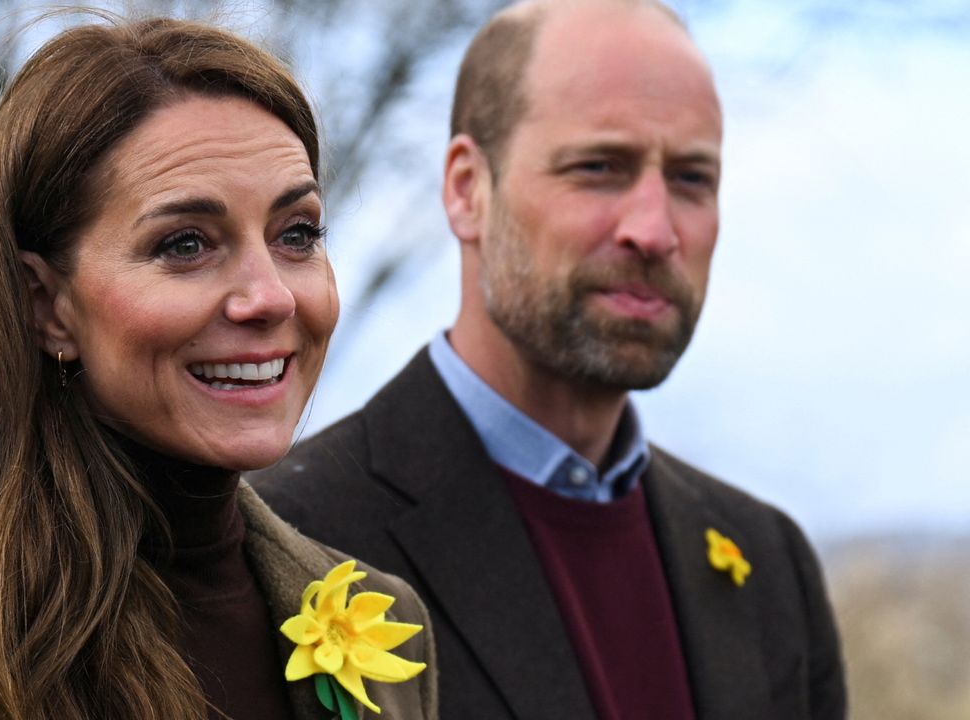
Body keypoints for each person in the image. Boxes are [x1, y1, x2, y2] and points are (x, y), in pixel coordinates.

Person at [0, 16, 436, 720]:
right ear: (46, 305)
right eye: (185, 244)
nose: (268, 296)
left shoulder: (383, 619)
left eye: (297, 234)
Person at [252, 1, 847, 718]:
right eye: (598, 167)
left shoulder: (769, 565)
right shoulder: (287, 543)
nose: (654, 230)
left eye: (692, 178)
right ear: (468, 190)